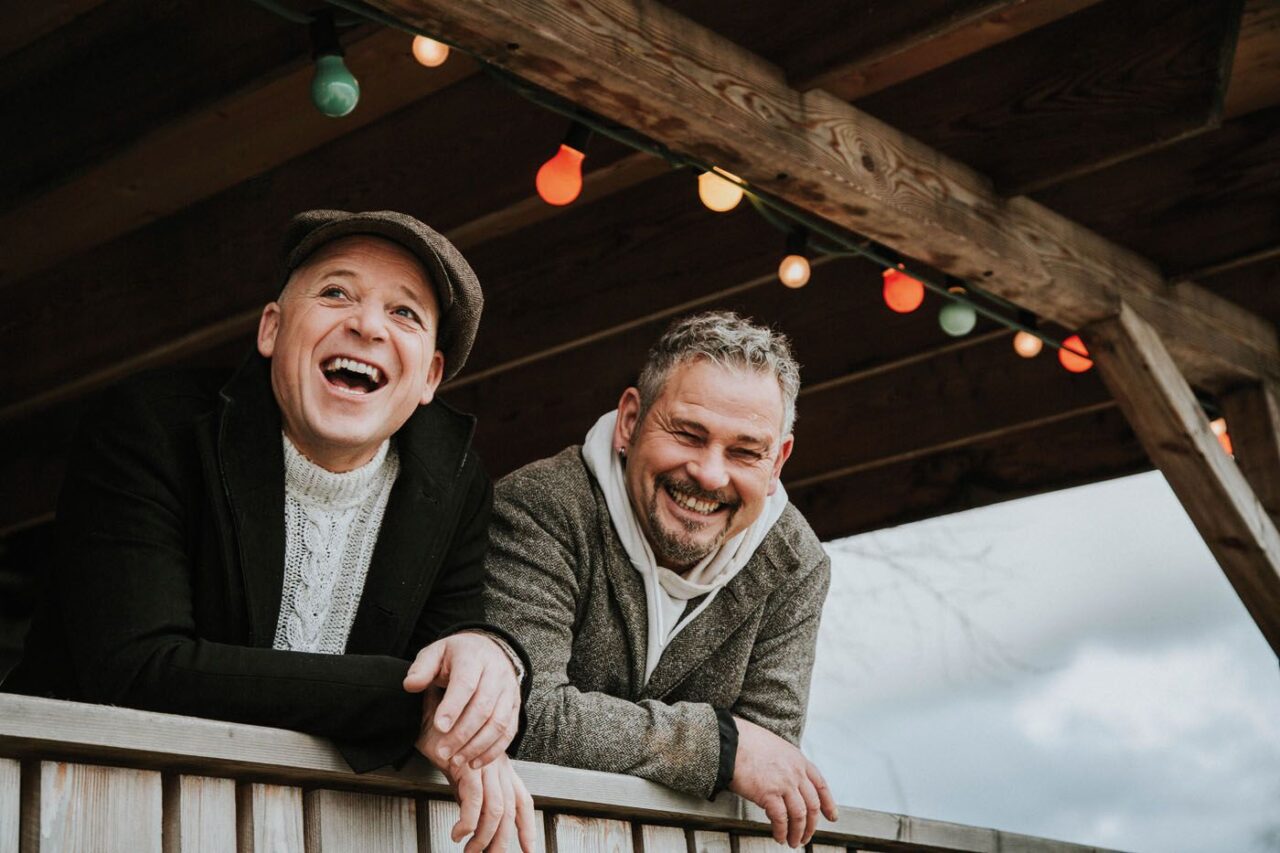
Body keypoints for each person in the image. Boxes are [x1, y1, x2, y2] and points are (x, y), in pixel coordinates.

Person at [5, 210, 534, 853]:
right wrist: (410, 704)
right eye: (336, 292)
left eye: (405, 314)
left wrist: (491, 663)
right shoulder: (150, 428)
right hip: (79, 811)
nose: (367, 325)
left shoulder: (454, 484)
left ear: (429, 377)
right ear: (271, 330)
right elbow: (139, 669)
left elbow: (449, 667)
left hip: (318, 832)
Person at [483, 310, 838, 848]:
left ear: (778, 463)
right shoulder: (541, 506)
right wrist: (718, 748)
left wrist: (740, 755)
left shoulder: (795, 563)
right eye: (688, 434)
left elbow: (768, 764)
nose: (710, 474)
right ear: (630, 421)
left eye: (745, 451)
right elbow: (523, 716)